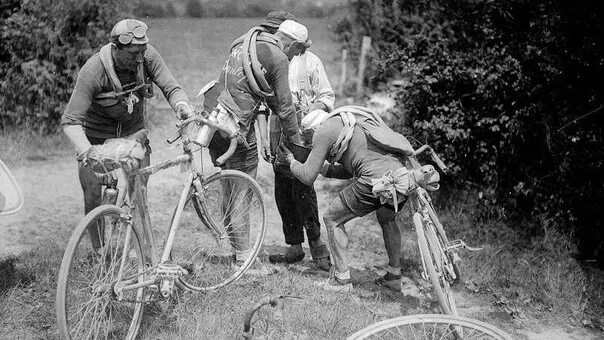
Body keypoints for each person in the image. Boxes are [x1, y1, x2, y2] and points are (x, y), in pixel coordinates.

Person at [61, 18, 194, 253]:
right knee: (92, 196)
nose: (139, 59)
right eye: (133, 53)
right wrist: (88, 152)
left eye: (142, 52)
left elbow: (171, 87)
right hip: (96, 139)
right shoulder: (93, 71)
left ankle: (138, 252)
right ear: (115, 49)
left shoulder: (148, 56)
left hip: (134, 135)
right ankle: (99, 251)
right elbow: (70, 121)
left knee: (139, 194)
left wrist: (181, 105)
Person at [278, 106, 423, 292]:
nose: (310, 142)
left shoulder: (323, 131)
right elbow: (351, 169)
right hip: (399, 174)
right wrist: (323, 168)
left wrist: (291, 161)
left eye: (308, 138)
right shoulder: (348, 122)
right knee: (387, 219)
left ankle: (341, 279)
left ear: (313, 129)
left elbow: (306, 176)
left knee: (332, 218)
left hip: (374, 178)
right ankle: (394, 276)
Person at [267, 37, 335, 271]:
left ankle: (317, 245)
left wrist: (310, 109)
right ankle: (294, 245)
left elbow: (327, 97)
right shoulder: (273, 60)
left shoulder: (311, 62)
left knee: (303, 189)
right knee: (283, 191)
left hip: (304, 134)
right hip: (279, 131)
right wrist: (271, 140)